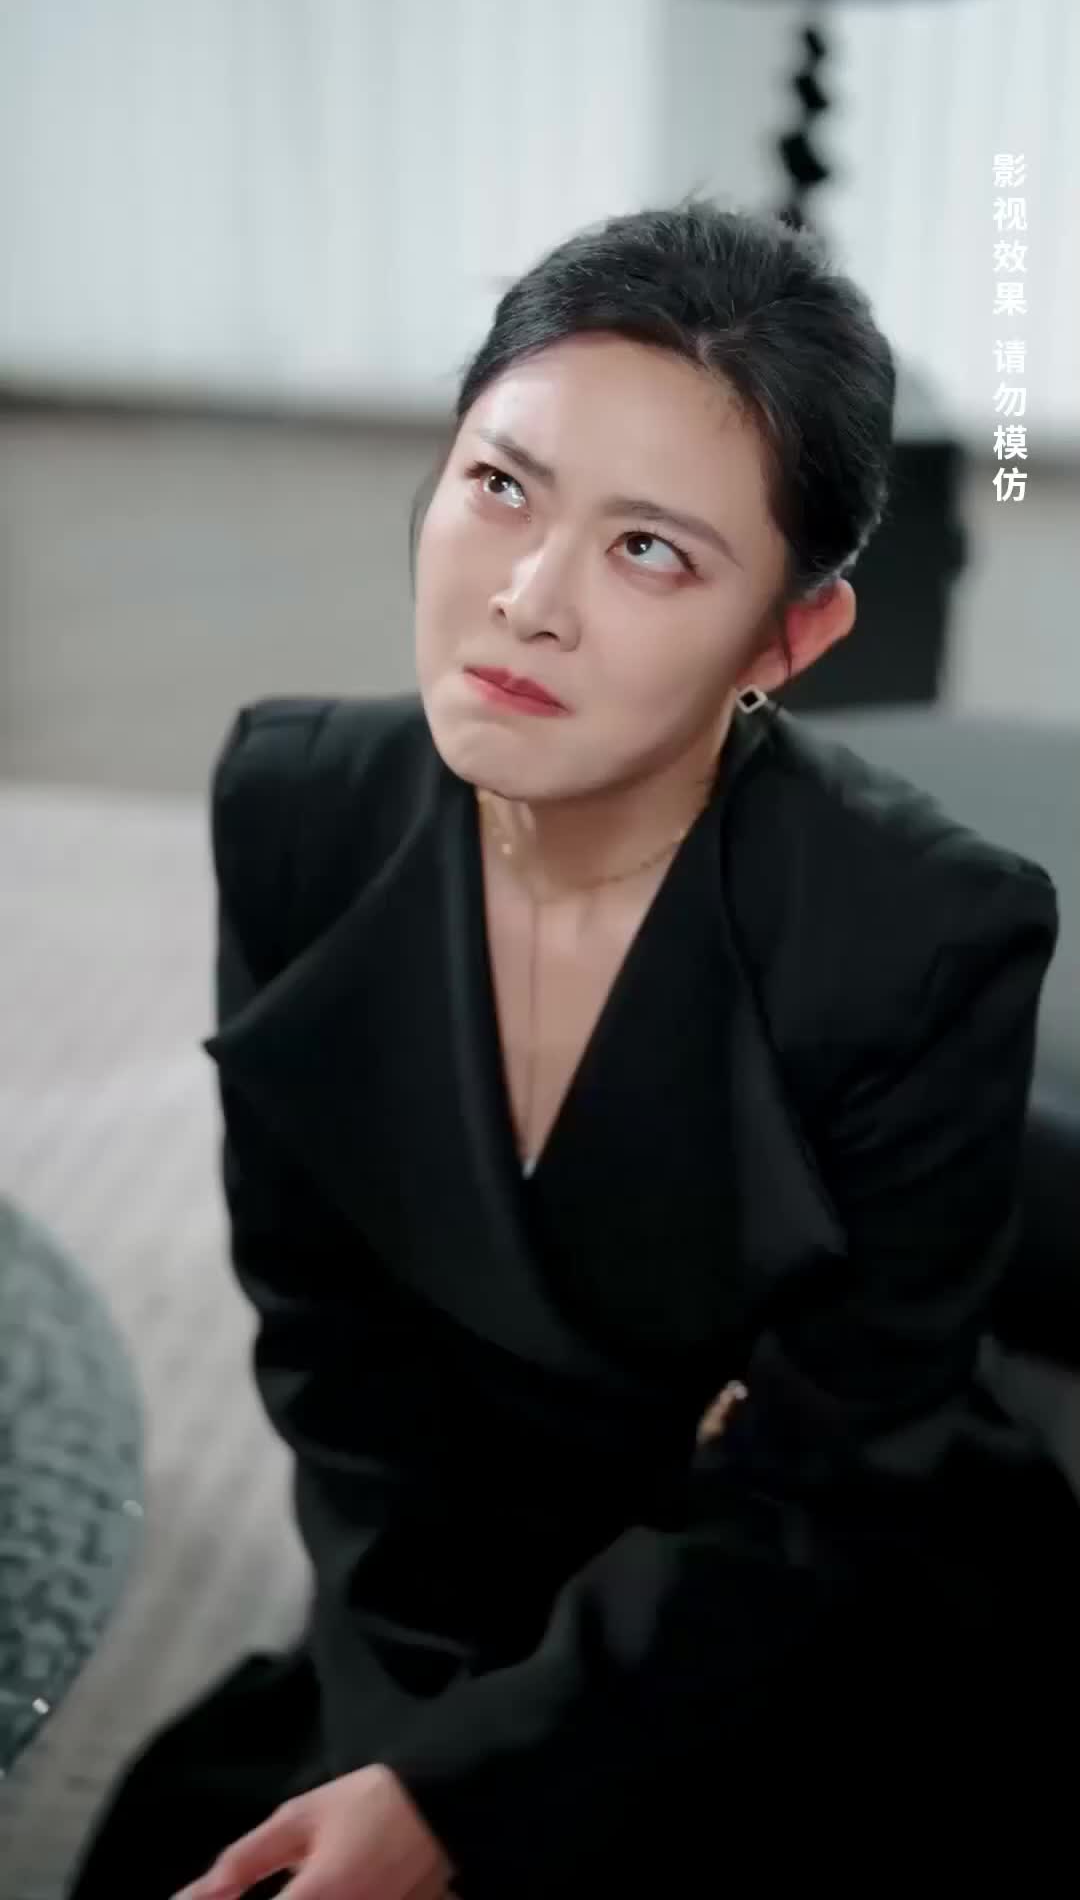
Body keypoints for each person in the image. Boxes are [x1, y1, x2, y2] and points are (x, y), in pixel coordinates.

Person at [68, 201, 1079, 1900]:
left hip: (794, 1599)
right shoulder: (296, 803)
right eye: (501, 485)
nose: (526, 601)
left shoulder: (928, 935)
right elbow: (327, 1351)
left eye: (652, 552)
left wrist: (474, 1794)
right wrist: (405, 1742)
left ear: (788, 642)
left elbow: (830, 1475)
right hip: (453, 1571)